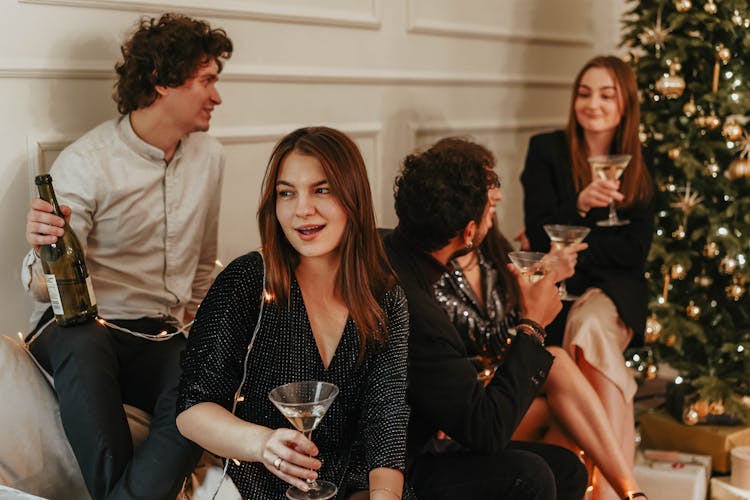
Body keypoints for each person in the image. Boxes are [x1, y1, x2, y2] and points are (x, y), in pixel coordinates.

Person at [21, 13, 233, 499]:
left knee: (202, 369)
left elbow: (204, 266)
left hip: (159, 331)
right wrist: (40, 249)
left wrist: (207, 332)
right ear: (161, 81)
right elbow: (37, 280)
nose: (217, 97)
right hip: (81, 327)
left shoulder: (211, 158)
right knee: (83, 342)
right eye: (207, 81)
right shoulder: (87, 162)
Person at [176, 126, 411, 499]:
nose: (302, 209)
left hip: (349, 485)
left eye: (322, 190)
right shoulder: (247, 280)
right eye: (287, 193)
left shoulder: (383, 296)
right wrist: (263, 444)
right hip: (253, 480)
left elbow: (387, 412)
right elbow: (192, 410)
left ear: (353, 197)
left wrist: (385, 495)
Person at [431, 138, 647, 500]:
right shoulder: (435, 269)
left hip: (500, 386)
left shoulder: (493, 252)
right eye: (488, 191)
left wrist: (540, 274)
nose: (496, 199)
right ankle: (628, 493)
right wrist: (543, 279)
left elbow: (516, 321)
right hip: (466, 411)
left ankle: (625, 493)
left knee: (564, 398)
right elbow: (488, 338)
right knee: (559, 370)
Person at [383, 139, 588, 500]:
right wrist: (533, 324)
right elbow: (487, 431)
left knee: (568, 468)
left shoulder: (385, 246)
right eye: (489, 211)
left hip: (424, 432)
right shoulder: (421, 313)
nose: (495, 215)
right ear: (468, 232)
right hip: (396, 466)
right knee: (531, 475)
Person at [521, 55, 654, 500]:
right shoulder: (546, 151)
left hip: (616, 293)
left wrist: (576, 242)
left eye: (606, 94)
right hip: (557, 292)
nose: (592, 103)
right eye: (584, 92)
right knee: (586, 332)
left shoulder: (641, 160)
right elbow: (538, 232)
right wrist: (578, 207)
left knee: (591, 323)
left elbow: (635, 252)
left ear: (625, 105)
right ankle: (622, 491)